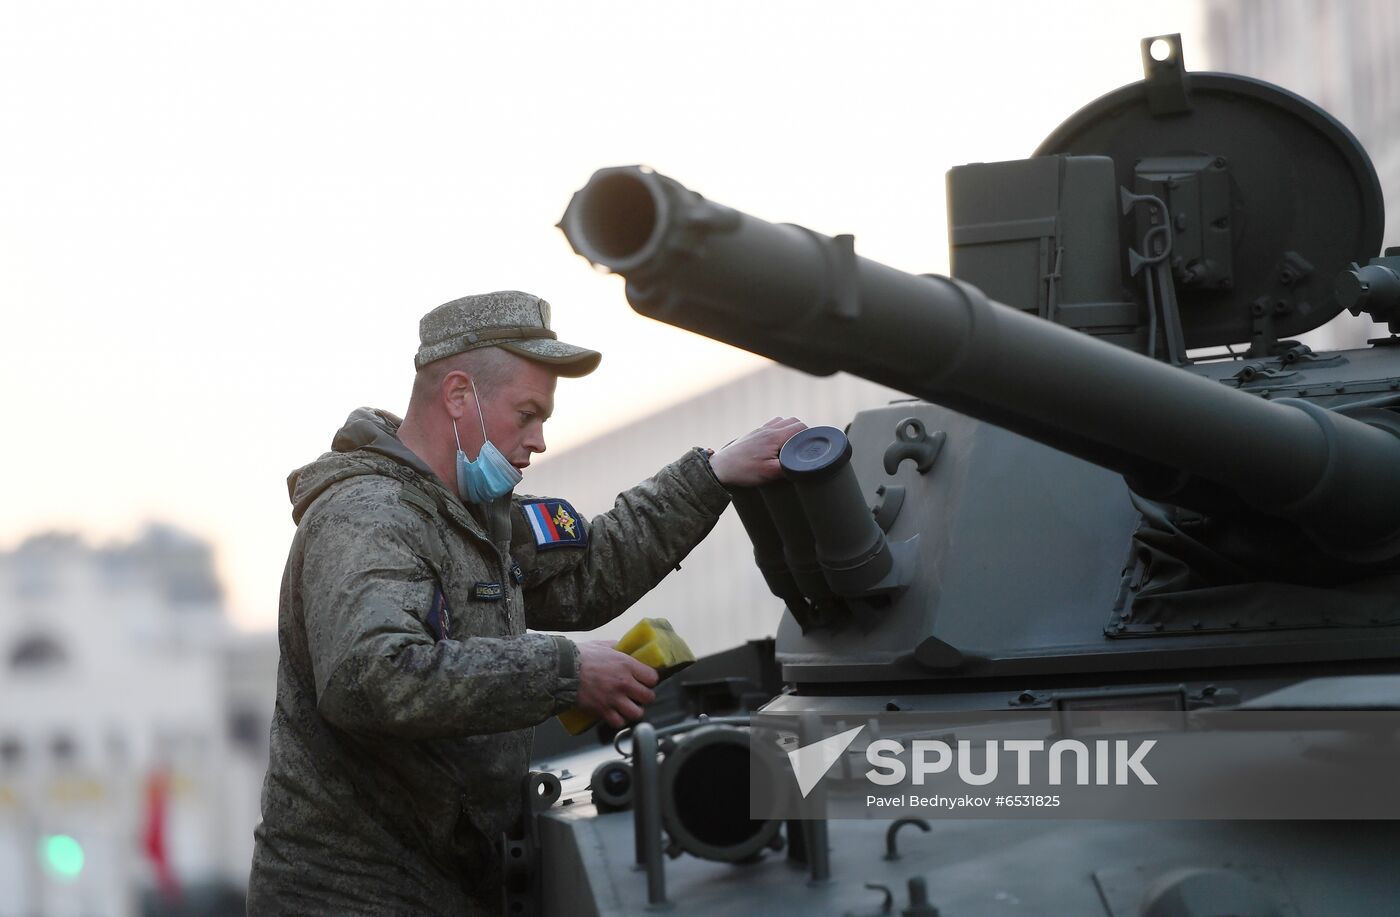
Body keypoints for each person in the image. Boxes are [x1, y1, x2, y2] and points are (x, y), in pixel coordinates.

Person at [247, 290, 805, 915]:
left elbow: (589, 573)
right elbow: (373, 677)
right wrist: (566, 674)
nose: (538, 440)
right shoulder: (368, 518)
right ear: (458, 396)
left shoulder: (471, 518)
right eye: (527, 413)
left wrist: (714, 473)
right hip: (354, 895)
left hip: (448, 881)